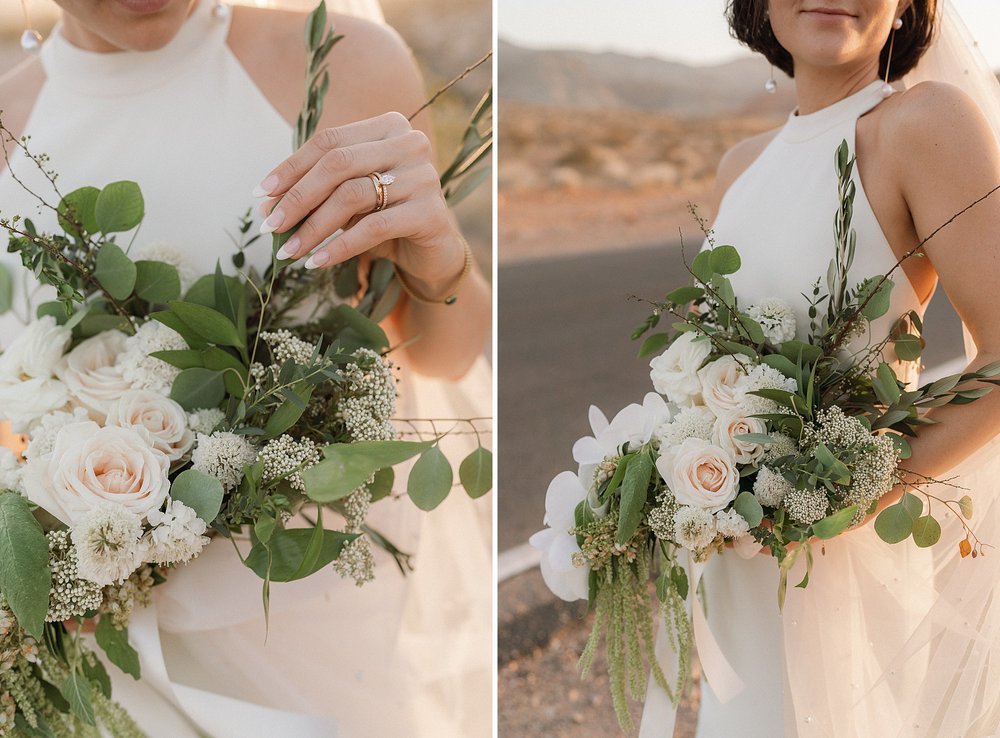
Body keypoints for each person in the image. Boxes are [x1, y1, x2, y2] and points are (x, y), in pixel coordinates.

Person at [0, 1, 491, 736]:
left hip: (316, 635)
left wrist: (439, 247)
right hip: (99, 661)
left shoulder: (342, 58)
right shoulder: (11, 117)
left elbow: (443, 354)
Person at [639, 1, 1000, 736]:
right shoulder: (738, 169)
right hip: (737, 567)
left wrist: (844, 493)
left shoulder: (922, 125)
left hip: (842, 566)